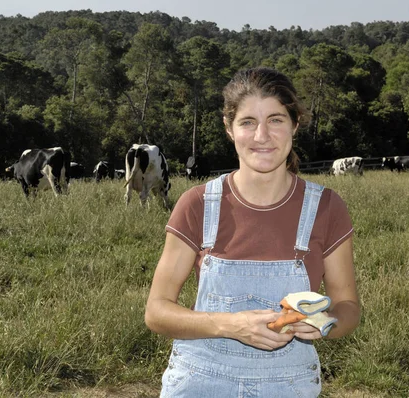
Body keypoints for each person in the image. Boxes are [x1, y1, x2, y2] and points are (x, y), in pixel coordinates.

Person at [144, 67, 360, 397]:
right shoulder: (197, 204)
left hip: (289, 385)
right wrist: (232, 325)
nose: (262, 135)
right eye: (248, 122)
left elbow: (348, 307)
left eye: (276, 119)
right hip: (201, 382)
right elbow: (157, 311)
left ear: (295, 124)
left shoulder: (326, 208)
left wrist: (324, 323)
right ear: (229, 128)